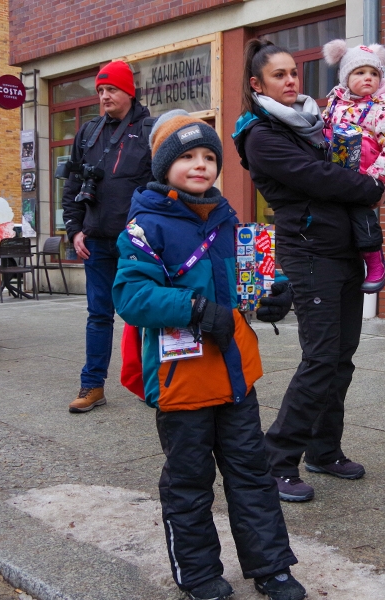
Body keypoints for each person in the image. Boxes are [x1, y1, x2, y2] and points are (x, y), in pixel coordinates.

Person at [113, 111, 306, 600]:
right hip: (182, 383)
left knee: (251, 473)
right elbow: (131, 298)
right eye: (186, 156)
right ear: (163, 166)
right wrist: (196, 309)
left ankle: (271, 567)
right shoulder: (144, 228)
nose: (200, 165)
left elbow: (253, 281)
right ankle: (199, 574)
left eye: (208, 156)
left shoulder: (229, 221)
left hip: (235, 377)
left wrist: (275, 294)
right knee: (189, 482)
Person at [233, 39, 385, 502]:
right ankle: (276, 460)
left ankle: (324, 449)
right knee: (320, 358)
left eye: (294, 73)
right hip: (308, 252)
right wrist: (368, 185)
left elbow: (337, 169)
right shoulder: (261, 135)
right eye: (279, 75)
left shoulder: (313, 125)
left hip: (342, 252)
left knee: (341, 357)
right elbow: (319, 179)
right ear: (258, 84)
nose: (291, 81)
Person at [62, 60, 153, 413]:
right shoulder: (88, 132)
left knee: (145, 314)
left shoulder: (149, 128)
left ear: (128, 90)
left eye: (111, 89)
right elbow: (71, 185)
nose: (104, 96)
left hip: (137, 243)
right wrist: (74, 229)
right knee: (99, 315)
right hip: (96, 240)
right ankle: (92, 386)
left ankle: (153, 384)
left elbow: (159, 186)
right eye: (100, 91)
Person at [321, 40, 385, 293]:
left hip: (365, 175)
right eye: (359, 72)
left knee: (360, 215)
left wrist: (374, 178)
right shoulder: (335, 103)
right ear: (346, 77)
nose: (368, 77)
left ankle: (375, 260)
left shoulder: (384, 107)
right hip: (337, 172)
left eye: (374, 73)